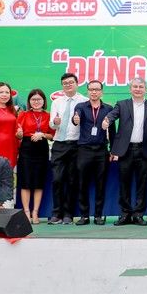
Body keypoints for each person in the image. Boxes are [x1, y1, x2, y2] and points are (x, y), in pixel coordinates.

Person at [102, 77, 147, 227]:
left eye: (141, 87)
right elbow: (112, 115)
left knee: (142, 184)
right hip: (125, 150)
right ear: (130, 89)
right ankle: (125, 214)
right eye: (135, 86)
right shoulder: (122, 104)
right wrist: (107, 120)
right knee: (124, 183)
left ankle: (139, 215)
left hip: (144, 150)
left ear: (146, 89)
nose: (138, 89)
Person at [48, 72, 88, 225]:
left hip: (77, 145)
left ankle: (68, 214)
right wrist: (55, 122)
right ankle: (56, 213)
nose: (68, 85)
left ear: (77, 84)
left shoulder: (84, 101)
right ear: (62, 86)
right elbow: (52, 125)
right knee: (57, 179)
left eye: (71, 82)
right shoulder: (57, 102)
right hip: (59, 143)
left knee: (72, 180)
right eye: (65, 83)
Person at [73, 80, 114, 226]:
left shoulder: (108, 108)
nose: (94, 92)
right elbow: (75, 118)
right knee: (82, 183)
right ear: (88, 91)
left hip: (102, 150)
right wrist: (75, 119)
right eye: (91, 89)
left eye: (97, 89)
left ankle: (98, 215)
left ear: (101, 91)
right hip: (84, 150)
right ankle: (84, 216)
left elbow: (113, 131)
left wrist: (113, 150)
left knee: (100, 184)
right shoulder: (81, 106)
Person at [16, 89, 55, 224]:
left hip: (42, 149)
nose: (36, 102)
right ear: (29, 101)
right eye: (33, 99)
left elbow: (53, 135)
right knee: (26, 182)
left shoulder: (48, 115)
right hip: (27, 148)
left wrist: (42, 134)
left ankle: (35, 212)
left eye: (39, 99)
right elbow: (18, 134)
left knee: (39, 182)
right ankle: (27, 212)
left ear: (44, 101)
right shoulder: (24, 114)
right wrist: (19, 134)